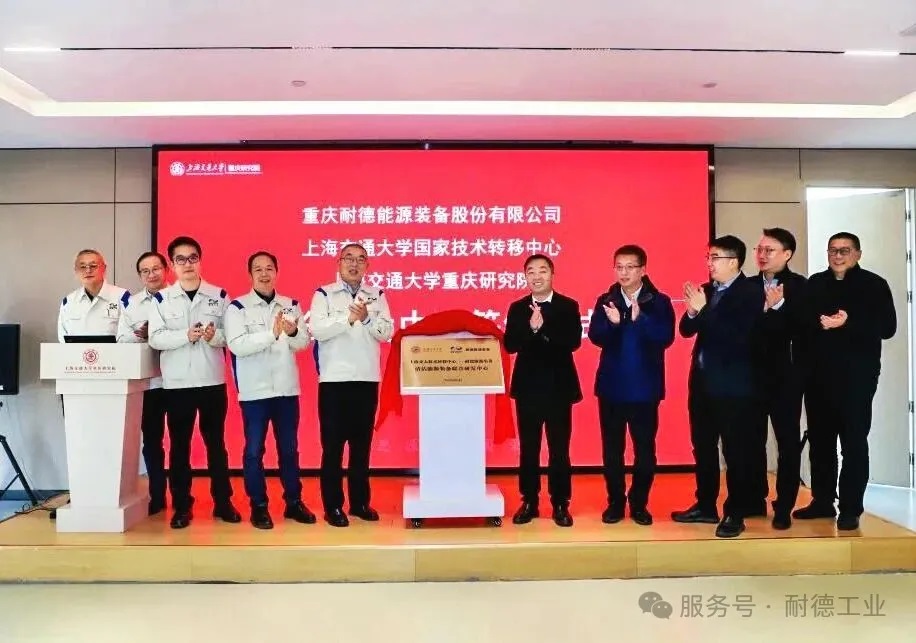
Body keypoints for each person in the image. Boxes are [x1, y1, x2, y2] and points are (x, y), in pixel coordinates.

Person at [794, 232, 896, 531]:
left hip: (856, 378)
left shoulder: (874, 285)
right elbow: (801, 323)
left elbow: (887, 327)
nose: (838, 256)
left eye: (844, 251)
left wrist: (847, 322)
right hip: (818, 377)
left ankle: (851, 508)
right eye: (833, 251)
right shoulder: (815, 283)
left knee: (853, 443)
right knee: (820, 442)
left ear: (858, 254)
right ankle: (822, 500)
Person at [671, 235, 764, 538]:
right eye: (708, 257)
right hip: (702, 384)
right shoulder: (707, 290)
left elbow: (735, 335)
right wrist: (693, 311)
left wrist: (705, 310)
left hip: (734, 386)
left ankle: (735, 512)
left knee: (735, 451)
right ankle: (705, 505)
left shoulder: (751, 292)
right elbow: (686, 330)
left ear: (734, 261)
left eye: (716, 258)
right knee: (703, 446)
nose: (709, 263)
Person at [148, 236, 241, 529]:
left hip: (211, 381)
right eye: (180, 259)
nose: (187, 264)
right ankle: (182, 506)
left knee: (216, 445)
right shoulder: (161, 299)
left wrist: (214, 336)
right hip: (177, 385)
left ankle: (223, 502)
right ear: (172, 265)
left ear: (200, 261)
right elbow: (155, 338)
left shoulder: (219, 295)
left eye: (192, 258)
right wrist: (184, 336)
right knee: (179, 447)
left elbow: (231, 337)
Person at [225, 251, 316, 529]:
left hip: (286, 390)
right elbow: (237, 345)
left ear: (277, 272)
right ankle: (259, 505)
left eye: (269, 269)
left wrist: (292, 332)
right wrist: (272, 334)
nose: (264, 274)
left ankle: (293, 502)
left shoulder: (291, 305)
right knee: (254, 451)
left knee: (289, 450)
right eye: (258, 269)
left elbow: (303, 343)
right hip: (255, 393)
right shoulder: (237, 308)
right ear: (250, 274)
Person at [587, 245, 675, 526]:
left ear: (643, 270)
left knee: (645, 451)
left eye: (630, 267)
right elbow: (595, 336)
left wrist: (640, 320)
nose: (624, 273)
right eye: (619, 267)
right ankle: (615, 502)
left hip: (645, 390)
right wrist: (614, 324)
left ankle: (639, 503)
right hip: (611, 388)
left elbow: (665, 337)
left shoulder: (659, 302)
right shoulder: (606, 300)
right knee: (612, 451)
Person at [309, 243, 393, 527]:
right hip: (334, 381)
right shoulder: (324, 294)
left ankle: (359, 503)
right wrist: (348, 318)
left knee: (361, 447)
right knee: (332, 448)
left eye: (360, 259)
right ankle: (333, 506)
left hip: (366, 379)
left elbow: (386, 332)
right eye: (348, 258)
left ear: (367, 265)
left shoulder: (377, 295)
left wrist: (366, 318)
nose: (354, 264)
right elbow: (317, 329)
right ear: (339, 262)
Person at [504, 254, 582, 527]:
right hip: (528, 389)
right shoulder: (517, 308)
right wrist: (530, 329)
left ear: (552, 274)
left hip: (559, 388)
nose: (536, 276)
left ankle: (560, 503)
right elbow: (510, 344)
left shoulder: (568, 306)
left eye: (542, 271)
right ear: (525, 276)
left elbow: (573, 342)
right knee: (529, 449)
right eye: (531, 272)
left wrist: (543, 329)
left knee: (559, 449)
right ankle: (529, 501)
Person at [747, 228, 809, 530]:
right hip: (750, 377)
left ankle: (784, 505)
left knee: (787, 444)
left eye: (769, 250)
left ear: (787, 254)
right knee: (751, 441)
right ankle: (754, 499)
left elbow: (805, 327)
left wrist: (780, 307)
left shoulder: (801, 286)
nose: (762, 255)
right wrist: (763, 310)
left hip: (786, 378)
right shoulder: (747, 287)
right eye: (759, 249)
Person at [116, 251, 170, 516]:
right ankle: (157, 495)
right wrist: (142, 335)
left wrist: (161, 334)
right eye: (145, 271)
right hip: (150, 383)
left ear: (166, 269)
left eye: (156, 268)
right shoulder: (132, 304)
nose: (151, 274)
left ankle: (183, 497)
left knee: (182, 442)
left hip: (180, 380)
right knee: (152, 441)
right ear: (140, 276)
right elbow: (121, 339)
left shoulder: (178, 298)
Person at [57, 249, 128, 342]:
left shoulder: (122, 296)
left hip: (114, 351)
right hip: (77, 352)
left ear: (104, 268)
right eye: (82, 267)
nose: (88, 270)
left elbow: (129, 335)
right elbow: (63, 338)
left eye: (93, 266)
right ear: (76, 271)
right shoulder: (68, 301)